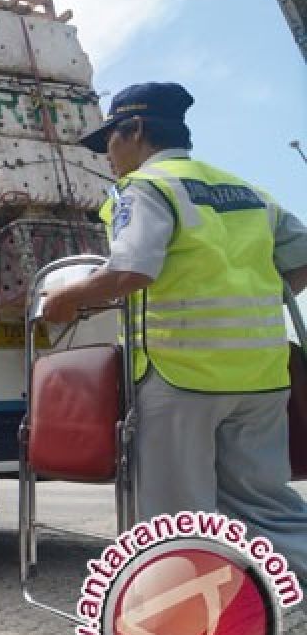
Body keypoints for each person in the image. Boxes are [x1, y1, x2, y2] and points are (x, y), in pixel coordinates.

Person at [41, 82, 307, 582]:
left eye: (110, 144)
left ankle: (179, 614)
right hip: (262, 373)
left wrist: (67, 298)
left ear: (135, 130)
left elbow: (132, 271)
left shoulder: (145, 187)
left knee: (177, 515)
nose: (109, 158)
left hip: (181, 373)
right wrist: (261, 298)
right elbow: (303, 257)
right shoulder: (247, 191)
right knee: (268, 505)